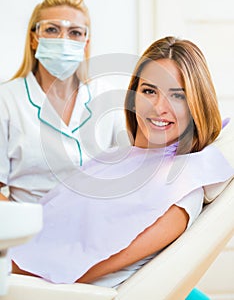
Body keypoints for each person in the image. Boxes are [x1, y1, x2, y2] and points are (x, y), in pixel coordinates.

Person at [10, 37, 233, 291]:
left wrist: (10, 270)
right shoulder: (116, 157)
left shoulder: (180, 190)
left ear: (196, 104)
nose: (159, 107)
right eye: (149, 91)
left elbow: (82, 270)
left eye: (177, 96)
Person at [0, 0, 127, 203]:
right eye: (52, 29)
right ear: (34, 39)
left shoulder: (105, 97)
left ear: (85, 43)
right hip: (30, 230)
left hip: (95, 226)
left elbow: (128, 169)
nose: (63, 40)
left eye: (75, 32)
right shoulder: (6, 100)